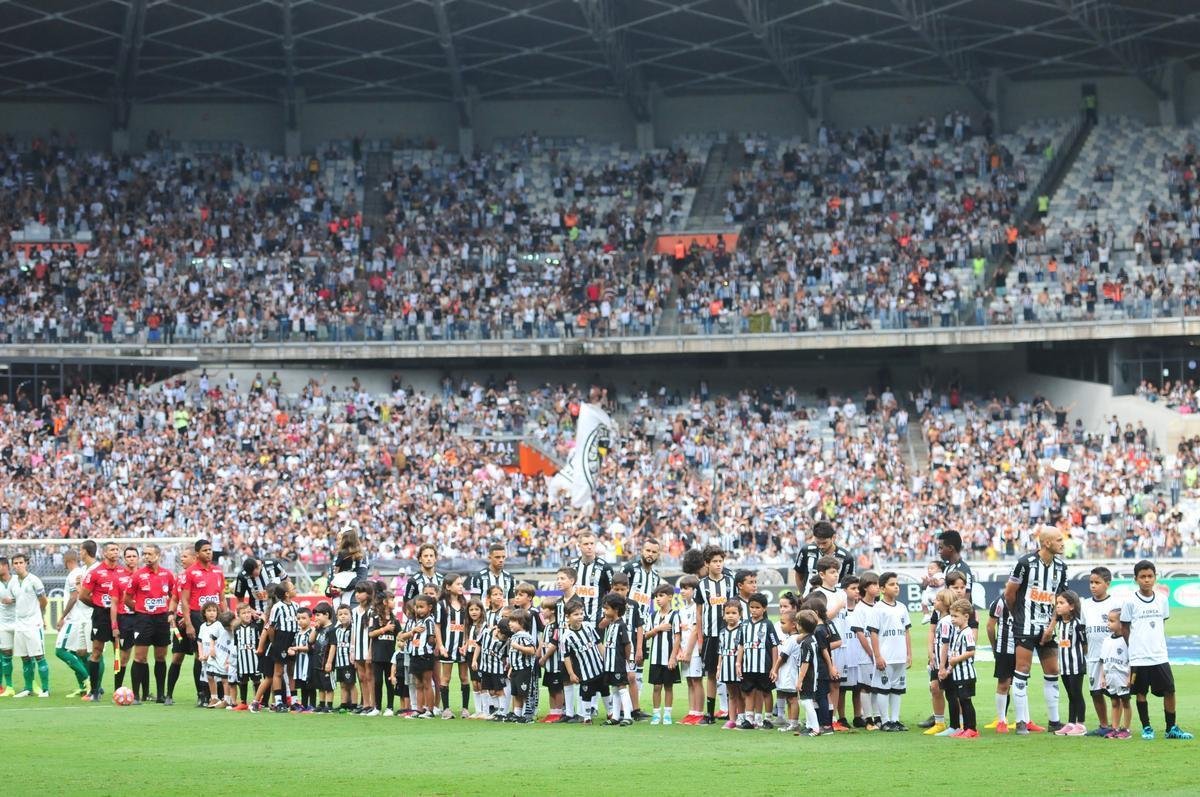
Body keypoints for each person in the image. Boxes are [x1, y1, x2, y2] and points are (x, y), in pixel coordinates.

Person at [1004, 527, 1068, 735]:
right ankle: (1021, 721)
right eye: (1059, 540)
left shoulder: (1061, 566)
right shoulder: (1025, 564)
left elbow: (1060, 600)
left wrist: (1051, 627)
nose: (1062, 543)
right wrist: (1019, 616)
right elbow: (1010, 593)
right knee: (1022, 670)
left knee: (1052, 671)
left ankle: (1054, 721)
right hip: (1025, 626)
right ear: (1047, 543)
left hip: (1048, 627)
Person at [1121, 559, 1193, 740]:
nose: (1147, 580)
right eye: (1142, 576)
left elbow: (1161, 623)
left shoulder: (1162, 599)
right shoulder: (1130, 601)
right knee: (1140, 692)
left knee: (1170, 690)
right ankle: (1147, 728)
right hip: (1139, 657)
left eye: (1150, 576)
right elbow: (1124, 627)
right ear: (1135, 579)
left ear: (1155, 577)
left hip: (1160, 655)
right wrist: (1134, 647)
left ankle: (1171, 728)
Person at [124, 544, 176, 704]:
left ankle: (161, 695)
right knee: (140, 657)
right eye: (144, 554)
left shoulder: (167, 575)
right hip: (143, 620)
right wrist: (140, 609)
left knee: (161, 657)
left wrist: (171, 612)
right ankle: (136, 696)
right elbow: (126, 598)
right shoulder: (138, 575)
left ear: (158, 555)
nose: (146, 557)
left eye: (149, 554)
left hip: (161, 620)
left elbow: (174, 595)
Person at [180, 538, 227, 706]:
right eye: (205, 550)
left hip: (218, 617)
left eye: (210, 549)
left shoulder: (218, 571)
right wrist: (189, 623)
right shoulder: (190, 572)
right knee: (200, 657)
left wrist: (226, 618)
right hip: (197, 617)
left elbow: (222, 597)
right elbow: (184, 600)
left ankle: (220, 695)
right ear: (197, 553)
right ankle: (202, 693)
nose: (209, 552)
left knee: (219, 654)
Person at [78, 541, 123, 702]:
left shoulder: (123, 572)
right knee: (96, 651)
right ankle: (95, 690)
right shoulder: (95, 572)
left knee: (119, 652)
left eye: (117, 549)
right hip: (101, 616)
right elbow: (83, 595)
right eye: (112, 549)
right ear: (104, 553)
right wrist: (99, 606)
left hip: (120, 615)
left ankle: (119, 691)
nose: (115, 552)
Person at [695, 545, 734, 725]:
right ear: (707, 564)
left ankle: (734, 712)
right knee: (711, 673)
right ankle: (709, 714)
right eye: (715, 562)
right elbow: (699, 613)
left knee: (732, 673)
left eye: (721, 561)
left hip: (730, 634)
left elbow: (736, 606)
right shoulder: (701, 585)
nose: (719, 565)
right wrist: (700, 637)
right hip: (711, 635)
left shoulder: (730, 581)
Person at [871, 571, 912, 731]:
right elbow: (873, 633)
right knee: (883, 688)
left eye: (897, 584)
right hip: (885, 656)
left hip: (899, 656)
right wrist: (878, 655)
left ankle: (895, 720)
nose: (896, 587)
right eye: (891, 584)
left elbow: (906, 631)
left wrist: (909, 654)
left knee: (897, 689)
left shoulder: (902, 608)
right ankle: (885, 720)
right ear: (882, 589)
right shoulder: (878, 608)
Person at [1082, 566, 1119, 736]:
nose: (1093, 586)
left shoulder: (1116, 604)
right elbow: (1083, 630)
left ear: (1107, 584)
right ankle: (1104, 725)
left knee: (1114, 693)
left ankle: (1116, 726)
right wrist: (1086, 651)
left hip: (1112, 657)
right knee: (1095, 692)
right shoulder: (1086, 605)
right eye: (1091, 582)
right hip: (1093, 657)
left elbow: (1121, 630)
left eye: (1097, 582)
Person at [7, 554, 49, 697]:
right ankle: (28, 688)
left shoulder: (34, 580)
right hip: (19, 625)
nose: (18, 565)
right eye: (15, 563)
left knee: (39, 656)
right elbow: (15, 599)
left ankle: (45, 689)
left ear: (26, 564)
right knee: (24, 658)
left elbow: (43, 600)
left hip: (33, 624)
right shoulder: (13, 582)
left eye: (20, 562)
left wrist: (38, 614)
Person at [54, 547, 94, 697]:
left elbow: (74, 597)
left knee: (60, 651)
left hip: (74, 620)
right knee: (77, 653)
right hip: (80, 618)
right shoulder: (80, 573)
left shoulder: (73, 575)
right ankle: (84, 687)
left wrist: (62, 617)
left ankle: (88, 679)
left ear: (67, 561)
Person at [559, 600, 605, 724]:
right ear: (567, 616)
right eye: (576, 614)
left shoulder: (588, 626)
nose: (580, 616)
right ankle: (586, 717)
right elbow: (566, 657)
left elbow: (598, 643)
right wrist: (571, 674)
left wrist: (606, 660)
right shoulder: (566, 637)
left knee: (605, 690)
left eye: (581, 613)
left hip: (599, 667)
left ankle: (611, 713)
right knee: (586, 693)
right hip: (585, 672)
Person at [739, 592, 779, 729]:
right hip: (749, 666)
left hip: (764, 666)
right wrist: (739, 663)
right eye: (752, 607)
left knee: (766, 692)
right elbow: (741, 645)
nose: (754, 610)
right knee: (749, 692)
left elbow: (774, 646)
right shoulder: (744, 625)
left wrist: (774, 667)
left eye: (757, 607)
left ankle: (767, 719)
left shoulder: (768, 624)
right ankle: (749, 719)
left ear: (764, 608)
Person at [941, 598, 979, 738]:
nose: (952, 619)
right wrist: (949, 669)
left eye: (956, 616)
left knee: (966, 701)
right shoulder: (958, 632)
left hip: (966, 674)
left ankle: (972, 729)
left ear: (966, 616)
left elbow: (971, 651)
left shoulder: (967, 632)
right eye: (951, 616)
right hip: (958, 674)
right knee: (962, 701)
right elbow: (955, 655)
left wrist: (956, 659)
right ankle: (966, 728)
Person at [164, 545, 196, 705]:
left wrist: (189, 618)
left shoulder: (200, 576)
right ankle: (168, 695)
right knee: (177, 657)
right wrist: (171, 614)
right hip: (180, 624)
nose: (181, 559)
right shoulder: (181, 577)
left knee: (201, 658)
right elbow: (175, 599)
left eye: (184, 556)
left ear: (194, 558)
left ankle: (203, 695)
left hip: (195, 622)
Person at [1053, 590, 1088, 735]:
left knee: (1077, 693)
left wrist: (1081, 658)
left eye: (1061, 603)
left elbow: (1085, 644)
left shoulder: (1078, 624)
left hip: (1076, 665)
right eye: (1057, 603)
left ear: (1072, 606)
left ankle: (1080, 724)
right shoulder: (1060, 624)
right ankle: (1071, 723)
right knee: (1070, 695)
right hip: (1065, 667)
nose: (1058, 606)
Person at [645, 583, 680, 725]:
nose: (658, 599)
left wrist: (673, 657)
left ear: (670, 597)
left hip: (668, 658)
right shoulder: (653, 616)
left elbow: (677, 637)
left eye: (661, 596)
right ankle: (656, 714)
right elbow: (647, 635)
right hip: (655, 658)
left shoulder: (675, 616)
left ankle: (667, 714)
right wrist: (658, 628)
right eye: (656, 597)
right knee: (656, 686)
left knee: (668, 686)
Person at [263, 581, 299, 713]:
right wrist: (274, 642)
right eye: (293, 588)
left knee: (291, 671)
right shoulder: (277, 607)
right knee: (278, 671)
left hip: (293, 639)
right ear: (287, 594)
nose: (296, 590)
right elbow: (271, 627)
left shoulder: (296, 606)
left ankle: (294, 701)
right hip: (281, 639)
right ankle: (278, 701)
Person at [599, 593, 634, 726]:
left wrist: (627, 660)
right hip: (609, 664)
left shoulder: (621, 625)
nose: (604, 611)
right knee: (614, 689)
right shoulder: (611, 624)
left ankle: (628, 716)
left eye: (607, 608)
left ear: (616, 610)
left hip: (618, 663)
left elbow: (627, 644)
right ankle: (615, 716)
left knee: (622, 688)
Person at [985, 589, 1016, 733]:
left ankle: (1024, 719)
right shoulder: (1000, 601)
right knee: (1004, 684)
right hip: (1005, 648)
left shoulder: (1026, 599)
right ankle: (1001, 720)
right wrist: (994, 646)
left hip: (1022, 647)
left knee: (1021, 685)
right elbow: (990, 626)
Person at [793, 520, 853, 594]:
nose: (821, 546)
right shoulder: (806, 551)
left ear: (833, 538)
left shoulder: (846, 557)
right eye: (818, 542)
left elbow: (849, 583)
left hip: (835, 601)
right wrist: (803, 595)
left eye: (824, 543)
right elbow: (798, 574)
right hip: (810, 600)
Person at [675, 574, 704, 725]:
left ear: (695, 590)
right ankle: (691, 711)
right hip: (685, 650)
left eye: (686, 588)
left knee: (696, 680)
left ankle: (699, 712)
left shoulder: (696, 608)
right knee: (689, 681)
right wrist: (680, 650)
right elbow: (679, 632)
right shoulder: (681, 609)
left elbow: (694, 630)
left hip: (694, 651)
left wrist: (688, 651)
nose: (683, 591)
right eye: (681, 588)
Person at [112, 546, 140, 692]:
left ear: (138, 558)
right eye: (128, 556)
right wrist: (114, 625)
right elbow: (114, 603)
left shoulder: (143, 575)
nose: (131, 559)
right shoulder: (118, 577)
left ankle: (143, 692)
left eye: (134, 556)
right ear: (124, 559)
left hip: (142, 618)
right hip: (125, 620)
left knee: (141, 656)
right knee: (124, 657)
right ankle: (118, 689)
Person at [793, 609, 825, 737]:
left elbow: (805, 663)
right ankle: (809, 726)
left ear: (800, 626)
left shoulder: (806, 643)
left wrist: (800, 680)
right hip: (814, 675)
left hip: (808, 676)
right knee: (808, 700)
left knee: (806, 701)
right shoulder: (811, 638)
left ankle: (815, 729)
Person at [1100, 609, 1131, 739]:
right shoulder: (1106, 640)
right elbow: (1102, 660)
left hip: (1122, 677)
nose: (1108, 623)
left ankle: (1126, 729)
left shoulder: (1126, 640)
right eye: (1108, 620)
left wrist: (1129, 677)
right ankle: (1115, 728)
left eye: (1112, 621)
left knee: (1125, 702)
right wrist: (1102, 677)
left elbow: (1131, 660)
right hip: (1110, 677)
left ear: (1121, 623)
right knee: (1114, 702)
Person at [567, 531, 611, 620]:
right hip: (575, 619)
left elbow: (611, 591)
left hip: (597, 620)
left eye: (592, 543)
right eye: (586, 544)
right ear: (579, 546)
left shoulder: (605, 567)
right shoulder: (571, 565)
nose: (589, 547)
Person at [506, 609, 538, 724]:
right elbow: (513, 655)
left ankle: (527, 715)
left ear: (522, 623)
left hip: (524, 669)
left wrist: (517, 646)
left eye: (513, 621)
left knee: (525, 693)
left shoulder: (525, 636)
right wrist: (511, 668)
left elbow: (532, 650)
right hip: (516, 669)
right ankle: (517, 714)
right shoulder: (515, 636)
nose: (510, 623)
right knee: (516, 693)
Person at [716, 601, 744, 730]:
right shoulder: (722, 632)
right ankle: (732, 719)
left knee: (741, 693)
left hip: (738, 666)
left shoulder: (742, 629)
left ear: (740, 614)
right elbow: (721, 651)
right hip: (726, 666)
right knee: (731, 693)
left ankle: (742, 717)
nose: (730, 616)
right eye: (727, 613)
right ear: (723, 615)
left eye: (734, 613)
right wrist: (718, 667)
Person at [326, 526, 368, 607]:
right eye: (337, 539)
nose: (338, 542)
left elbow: (361, 578)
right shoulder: (336, 557)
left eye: (340, 539)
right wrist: (330, 590)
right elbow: (331, 578)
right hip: (336, 599)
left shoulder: (360, 555)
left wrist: (343, 588)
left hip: (352, 599)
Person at [232, 603, 261, 710]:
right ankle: (243, 702)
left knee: (257, 680)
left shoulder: (256, 627)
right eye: (243, 613)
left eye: (248, 612)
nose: (247, 615)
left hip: (254, 659)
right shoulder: (237, 629)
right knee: (242, 680)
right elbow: (235, 644)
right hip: (242, 660)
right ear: (238, 615)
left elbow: (259, 642)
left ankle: (257, 701)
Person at [328, 605, 356, 713]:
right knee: (342, 684)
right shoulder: (337, 630)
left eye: (345, 614)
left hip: (349, 661)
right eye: (340, 614)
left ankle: (354, 705)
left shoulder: (353, 629)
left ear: (351, 615)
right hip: (339, 662)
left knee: (351, 683)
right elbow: (333, 645)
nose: (343, 616)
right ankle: (343, 704)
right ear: (337, 616)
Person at [308, 603, 335, 713]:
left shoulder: (332, 629)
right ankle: (322, 703)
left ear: (327, 615)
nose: (316, 618)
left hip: (326, 662)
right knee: (320, 684)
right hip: (317, 661)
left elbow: (333, 646)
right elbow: (310, 640)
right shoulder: (319, 629)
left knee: (328, 685)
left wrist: (329, 662)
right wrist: (315, 628)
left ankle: (329, 705)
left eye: (318, 615)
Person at [0, 557, 12, 697]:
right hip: (2, 624)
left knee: (28, 656)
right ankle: (3, 686)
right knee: (3, 655)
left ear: (4, 566)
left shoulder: (16, 581)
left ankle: (31, 685)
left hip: (20, 623)